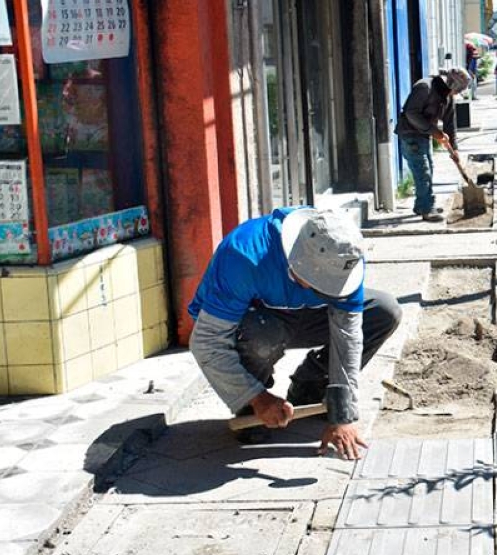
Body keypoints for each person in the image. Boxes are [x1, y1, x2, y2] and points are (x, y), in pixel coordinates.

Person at [188, 207, 402, 458]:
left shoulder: (344, 253)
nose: (328, 290)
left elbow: (348, 335)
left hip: (308, 316)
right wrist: (257, 397)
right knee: (263, 337)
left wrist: (343, 412)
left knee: (385, 311)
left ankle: (311, 388)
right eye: (319, 283)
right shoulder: (245, 256)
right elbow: (206, 342)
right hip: (258, 321)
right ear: (295, 261)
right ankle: (250, 408)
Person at [395, 68, 472, 222]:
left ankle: (422, 205)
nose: (456, 94)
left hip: (424, 135)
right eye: (457, 91)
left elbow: (450, 123)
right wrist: (434, 131)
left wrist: (454, 149)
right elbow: (411, 113)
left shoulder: (448, 97)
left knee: (428, 168)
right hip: (410, 133)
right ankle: (426, 208)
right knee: (423, 171)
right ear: (451, 85)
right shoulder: (425, 87)